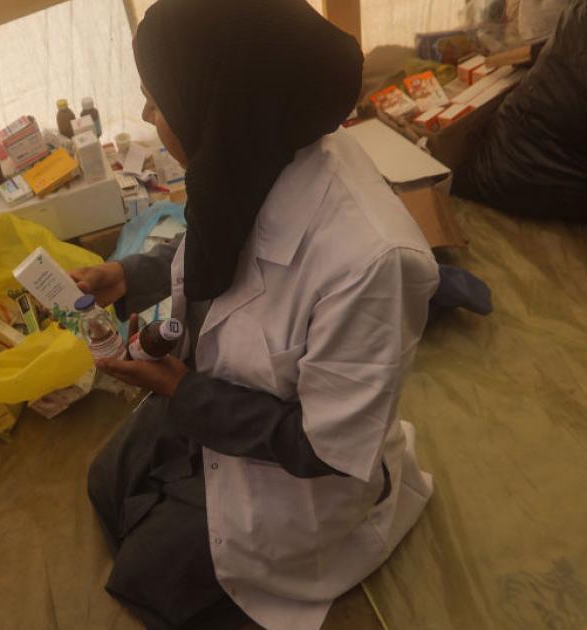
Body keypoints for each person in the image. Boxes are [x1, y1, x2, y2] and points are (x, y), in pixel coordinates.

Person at [72, 1, 440, 628]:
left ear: (215, 104)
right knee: (107, 484)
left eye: (156, 101)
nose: (145, 116)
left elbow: (322, 447)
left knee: (147, 579)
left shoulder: (370, 264)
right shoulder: (250, 152)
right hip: (217, 391)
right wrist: (130, 276)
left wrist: (183, 393)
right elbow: (213, 238)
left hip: (301, 468)